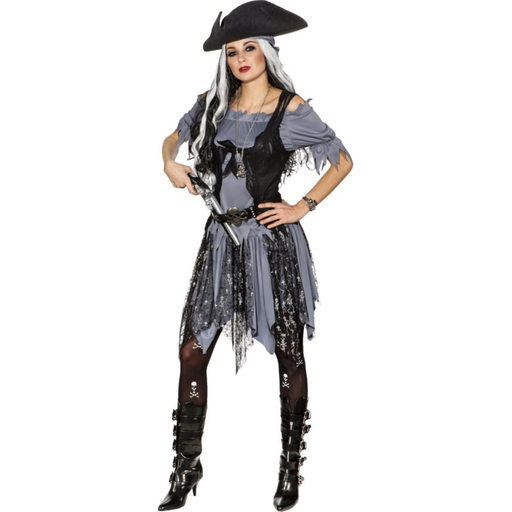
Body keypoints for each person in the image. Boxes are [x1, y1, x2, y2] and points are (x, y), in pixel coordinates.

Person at [158, 1, 353, 510]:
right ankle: (186, 464)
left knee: (289, 352)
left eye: (249, 48)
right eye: (231, 51)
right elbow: (172, 139)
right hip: (220, 242)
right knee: (191, 351)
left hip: (270, 245)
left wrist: (302, 207)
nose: (241, 58)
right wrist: (168, 162)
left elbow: (343, 159)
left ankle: (290, 467)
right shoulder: (213, 104)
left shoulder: (289, 109)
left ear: (267, 52)